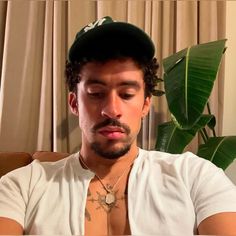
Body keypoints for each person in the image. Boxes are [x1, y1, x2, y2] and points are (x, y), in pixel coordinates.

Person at [0, 16, 236, 235]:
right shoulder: (22, 185)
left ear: (145, 104)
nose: (112, 110)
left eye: (126, 94)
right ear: (74, 103)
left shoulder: (195, 176)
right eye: (95, 93)